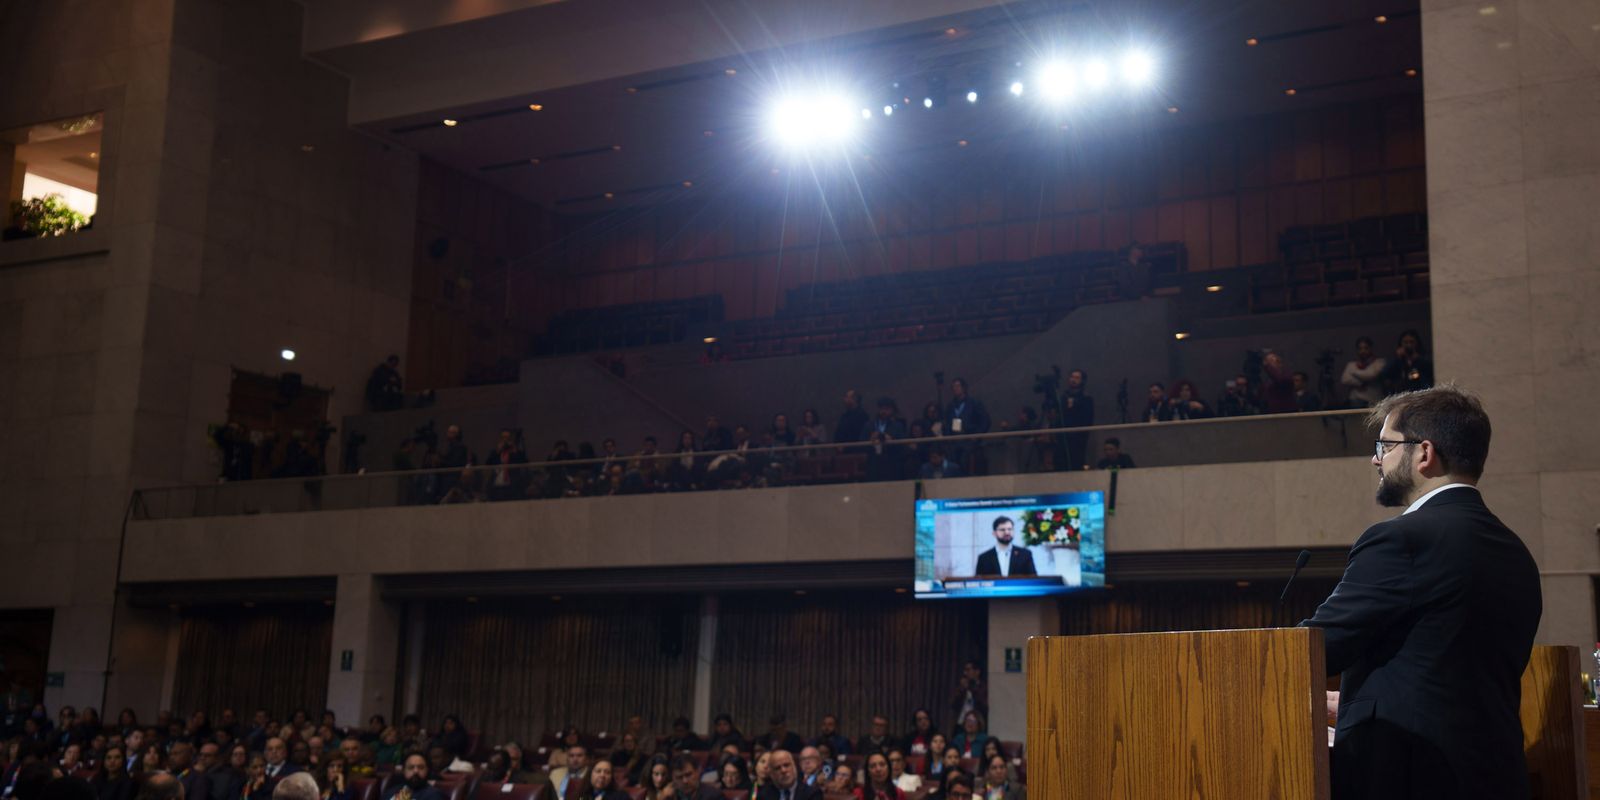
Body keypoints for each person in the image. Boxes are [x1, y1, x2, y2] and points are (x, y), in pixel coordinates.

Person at [1300, 384, 1540, 800]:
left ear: (1424, 454)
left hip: (1412, 778)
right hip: (1495, 776)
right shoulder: (1516, 551)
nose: (1375, 458)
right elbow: (1447, 673)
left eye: (1385, 445)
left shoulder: (1404, 539)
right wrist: (1355, 700)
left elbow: (1315, 649)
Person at [1380, 328, 1434, 394]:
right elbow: (1385, 375)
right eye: (1405, 342)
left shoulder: (1424, 359)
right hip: (1401, 394)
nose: (1409, 345)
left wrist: (1417, 359)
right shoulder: (1397, 360)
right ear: (1401, 343)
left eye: (1411, 342)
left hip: (1419, 393)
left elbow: (1429, 374)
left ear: (1417, 343)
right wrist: (1397, 358)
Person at [1058, 369, 1093, 471]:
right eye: (1072, 377)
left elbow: (1088, 419)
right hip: (1063, 437)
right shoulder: (1063, 397)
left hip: (1078, 438)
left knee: (1076, 462)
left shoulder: (1086, 398)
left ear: (1082, 381)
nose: (1073, 380)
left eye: (1077, 378)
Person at [1340, 336, 1388, 408]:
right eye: (1360, 348)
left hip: (1374, 401)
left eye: (1366, 348)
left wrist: (1353, 372)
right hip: (1355, 401)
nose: (1363, 351)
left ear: (1371, 348)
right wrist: (1360, 383)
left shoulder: (1379, 362)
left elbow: (1371, 375)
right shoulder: (1351, 364)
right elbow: (1345, 379)